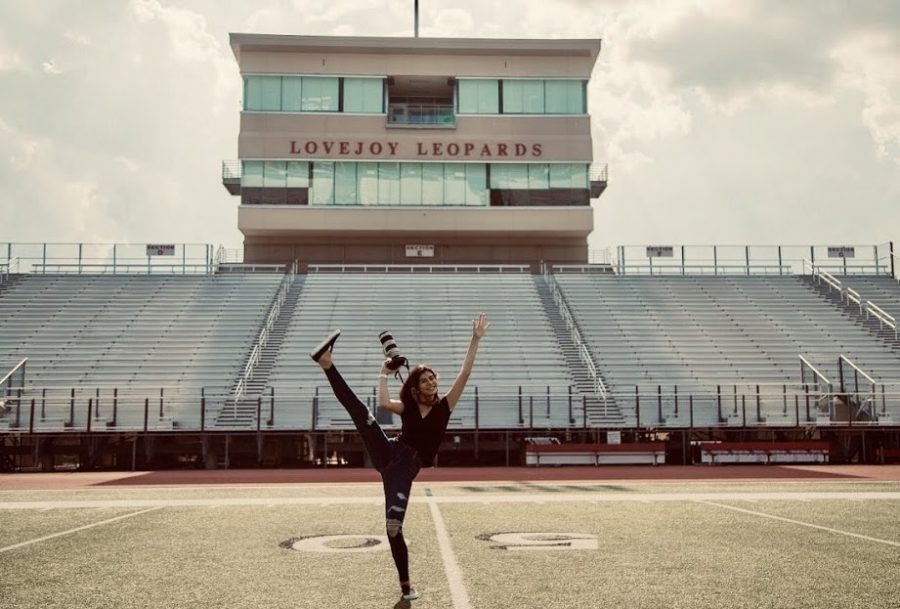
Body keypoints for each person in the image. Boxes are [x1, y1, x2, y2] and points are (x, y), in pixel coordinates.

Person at [309, 313, 489, 602]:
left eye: (433, 378)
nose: (431, 382)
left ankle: (405, 586)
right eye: (425, 379)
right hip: (389, 451)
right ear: (416, 388)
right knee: (361, 413)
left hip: (404, 471)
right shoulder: (407, 405)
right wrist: (383, 372)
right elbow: (382, 402)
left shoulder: (444, 407)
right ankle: (327, 364)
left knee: (393, 527)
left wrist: (475, 338)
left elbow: (464, 373)